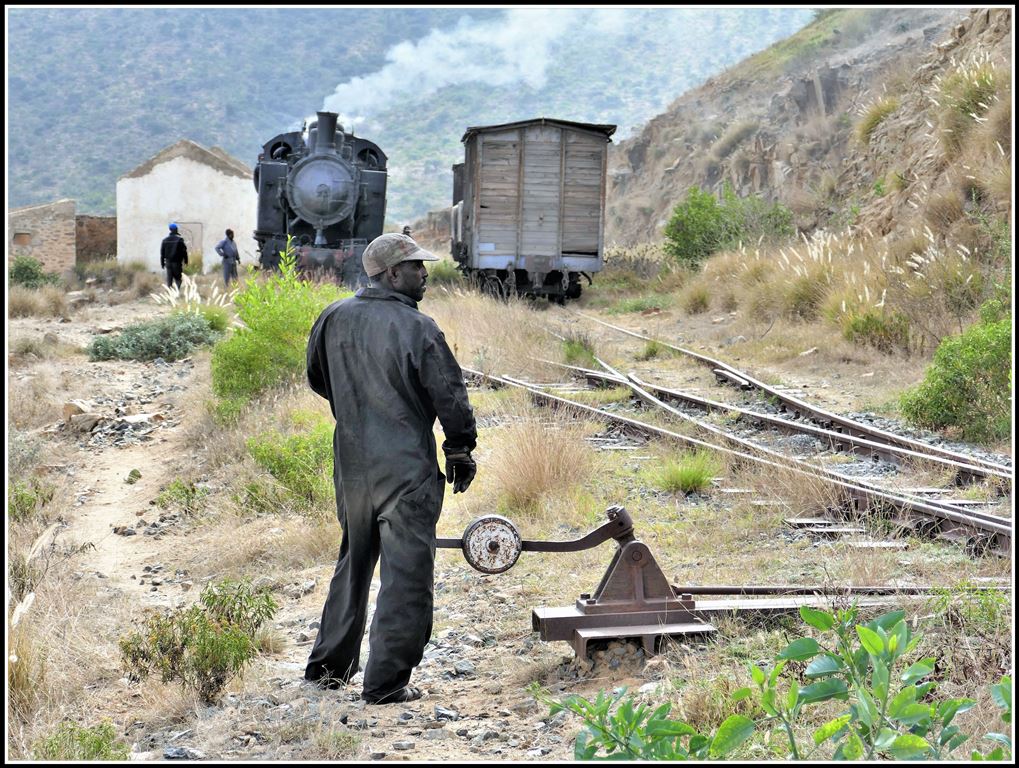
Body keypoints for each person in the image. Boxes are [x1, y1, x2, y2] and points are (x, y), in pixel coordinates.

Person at [304, 232, 478, 705]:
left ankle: (328, 669)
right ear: (390, 274)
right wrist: (460, 451)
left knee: (354, 561)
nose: (425, 273)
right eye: (416, 266)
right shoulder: (419, 329)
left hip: (353, 465)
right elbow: (450, 398)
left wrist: (358, 409)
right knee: (406, 572)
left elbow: (318, 379)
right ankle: (385, 683)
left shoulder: (332, 317)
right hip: (406, 468)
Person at [160, 222, 188, 289]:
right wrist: (186, 261)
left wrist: (162, 264)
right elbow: (184, 252)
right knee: (178, 279)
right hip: (177, 263)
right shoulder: (180, 240)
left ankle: (170, 295)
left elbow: (162, 253)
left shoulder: (165, 240)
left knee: (169, 280)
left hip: (168, 263)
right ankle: (177, 294)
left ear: (170, 229)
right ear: (176, 229)